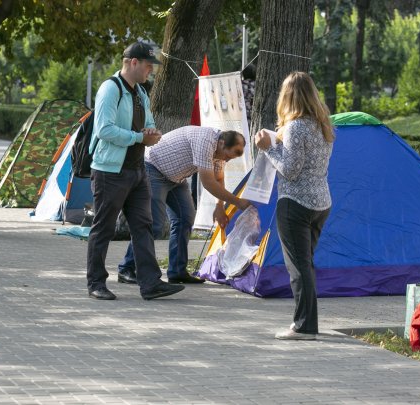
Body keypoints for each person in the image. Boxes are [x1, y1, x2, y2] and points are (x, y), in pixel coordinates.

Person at [86, 41, 184, 301]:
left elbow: (149, 123)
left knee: (144, 226)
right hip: (110, 171)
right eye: (148, 65)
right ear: (133, 63)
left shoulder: (140, 93)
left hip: (138, 170)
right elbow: (103, 130)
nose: (151, 70)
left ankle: (150, 283)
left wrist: (151, 133)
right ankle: (96, 282)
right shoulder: (110, 89)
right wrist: (138, 138)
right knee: (104, 228)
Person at [254, 72, 334, 340]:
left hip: (296, 203)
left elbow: (290, 169)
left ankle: (304, 326)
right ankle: (307, 322)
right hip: (321, 202)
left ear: (287, 97)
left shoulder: (297, 127)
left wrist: (267, 147)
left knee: (298, 269)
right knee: (306, 265)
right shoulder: (323, 124)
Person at [118, 126, 252, 284]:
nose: (226, 160)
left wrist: (220, 207)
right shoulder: (206, 141)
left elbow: (218, 178)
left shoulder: (219, 149)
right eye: (227, 156)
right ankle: (126, 268)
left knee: (186, 218)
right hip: (153, 169)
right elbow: (208, 182)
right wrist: (238, 202)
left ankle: (177, 271)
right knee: (154, 224)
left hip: (175, 178)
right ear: (222, 143)